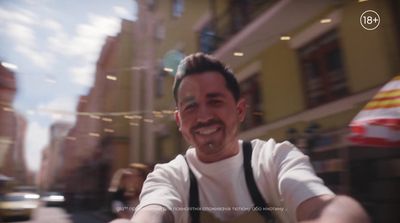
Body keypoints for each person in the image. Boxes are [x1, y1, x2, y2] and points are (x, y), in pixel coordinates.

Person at [128, 53, 370, 223]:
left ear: (240, 110)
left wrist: (337, 214)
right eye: (190, 107)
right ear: (179, 122)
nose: (203, 116)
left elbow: (326, 207)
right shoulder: (169, 176)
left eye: (215, 101)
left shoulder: (275, 159)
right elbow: (152, 211)